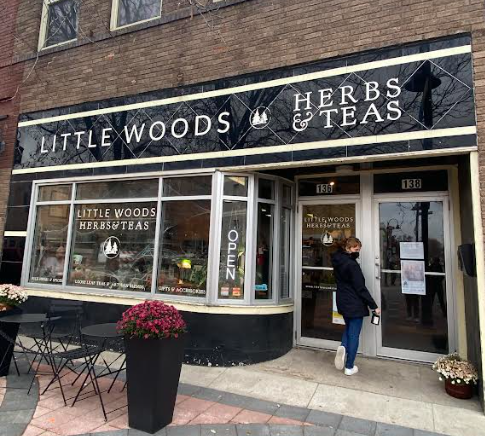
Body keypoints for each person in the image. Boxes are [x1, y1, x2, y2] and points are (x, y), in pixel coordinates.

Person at [331, 237, 381, 376]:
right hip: (354, 303)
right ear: (347, 248)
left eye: (359, 248)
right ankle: (349, 366)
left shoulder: (338, 261)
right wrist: (374, 306)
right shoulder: (352, 265)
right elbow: (360, 288)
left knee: (348, 328)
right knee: (354, 334)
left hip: (342, 300)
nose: (357, 250)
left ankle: (343, 347)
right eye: (355, 248)